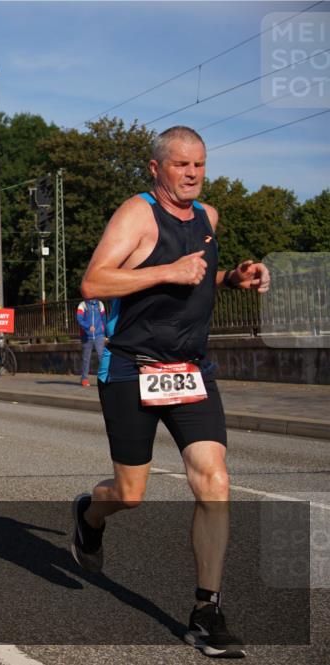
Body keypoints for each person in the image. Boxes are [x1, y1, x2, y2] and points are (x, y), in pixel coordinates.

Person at [70, 126, 270, 659]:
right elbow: (94, 282)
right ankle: (90, 515)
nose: (193, 174)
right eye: (182, 165)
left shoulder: (208, 217)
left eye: (200, 165)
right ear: (156, 169)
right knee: (129, 494)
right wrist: (170, 270)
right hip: (133, 367)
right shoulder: (135, 214)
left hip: (191, 369)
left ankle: (207, 609)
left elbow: (199, 276)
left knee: (214, 478)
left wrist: (234, 279)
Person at [76, 298, 106, 386]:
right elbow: (79, 319)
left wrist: (106, 333)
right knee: (86, 358)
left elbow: (104, 319)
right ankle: (84, 378)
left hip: (99, 335)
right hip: (86, 336)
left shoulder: (100, 304)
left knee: (102, 357)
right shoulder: (83, 305)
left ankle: (103, 378)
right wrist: (88, 326)